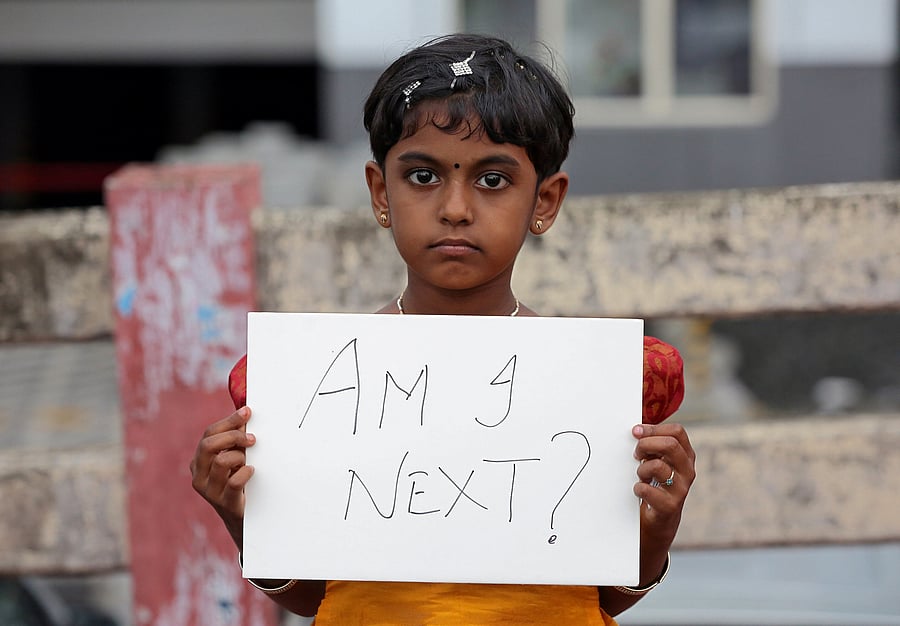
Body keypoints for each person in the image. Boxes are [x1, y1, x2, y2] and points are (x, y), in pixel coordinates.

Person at [191, 33, 695, 624]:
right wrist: (240, 515)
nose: (455, 207)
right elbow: (316, 598)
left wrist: (656, 530)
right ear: (381, 193)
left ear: (546, 201)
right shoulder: (318, 388)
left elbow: (601, 596)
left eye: (492, 180)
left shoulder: (594, 387)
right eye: (423, 176)